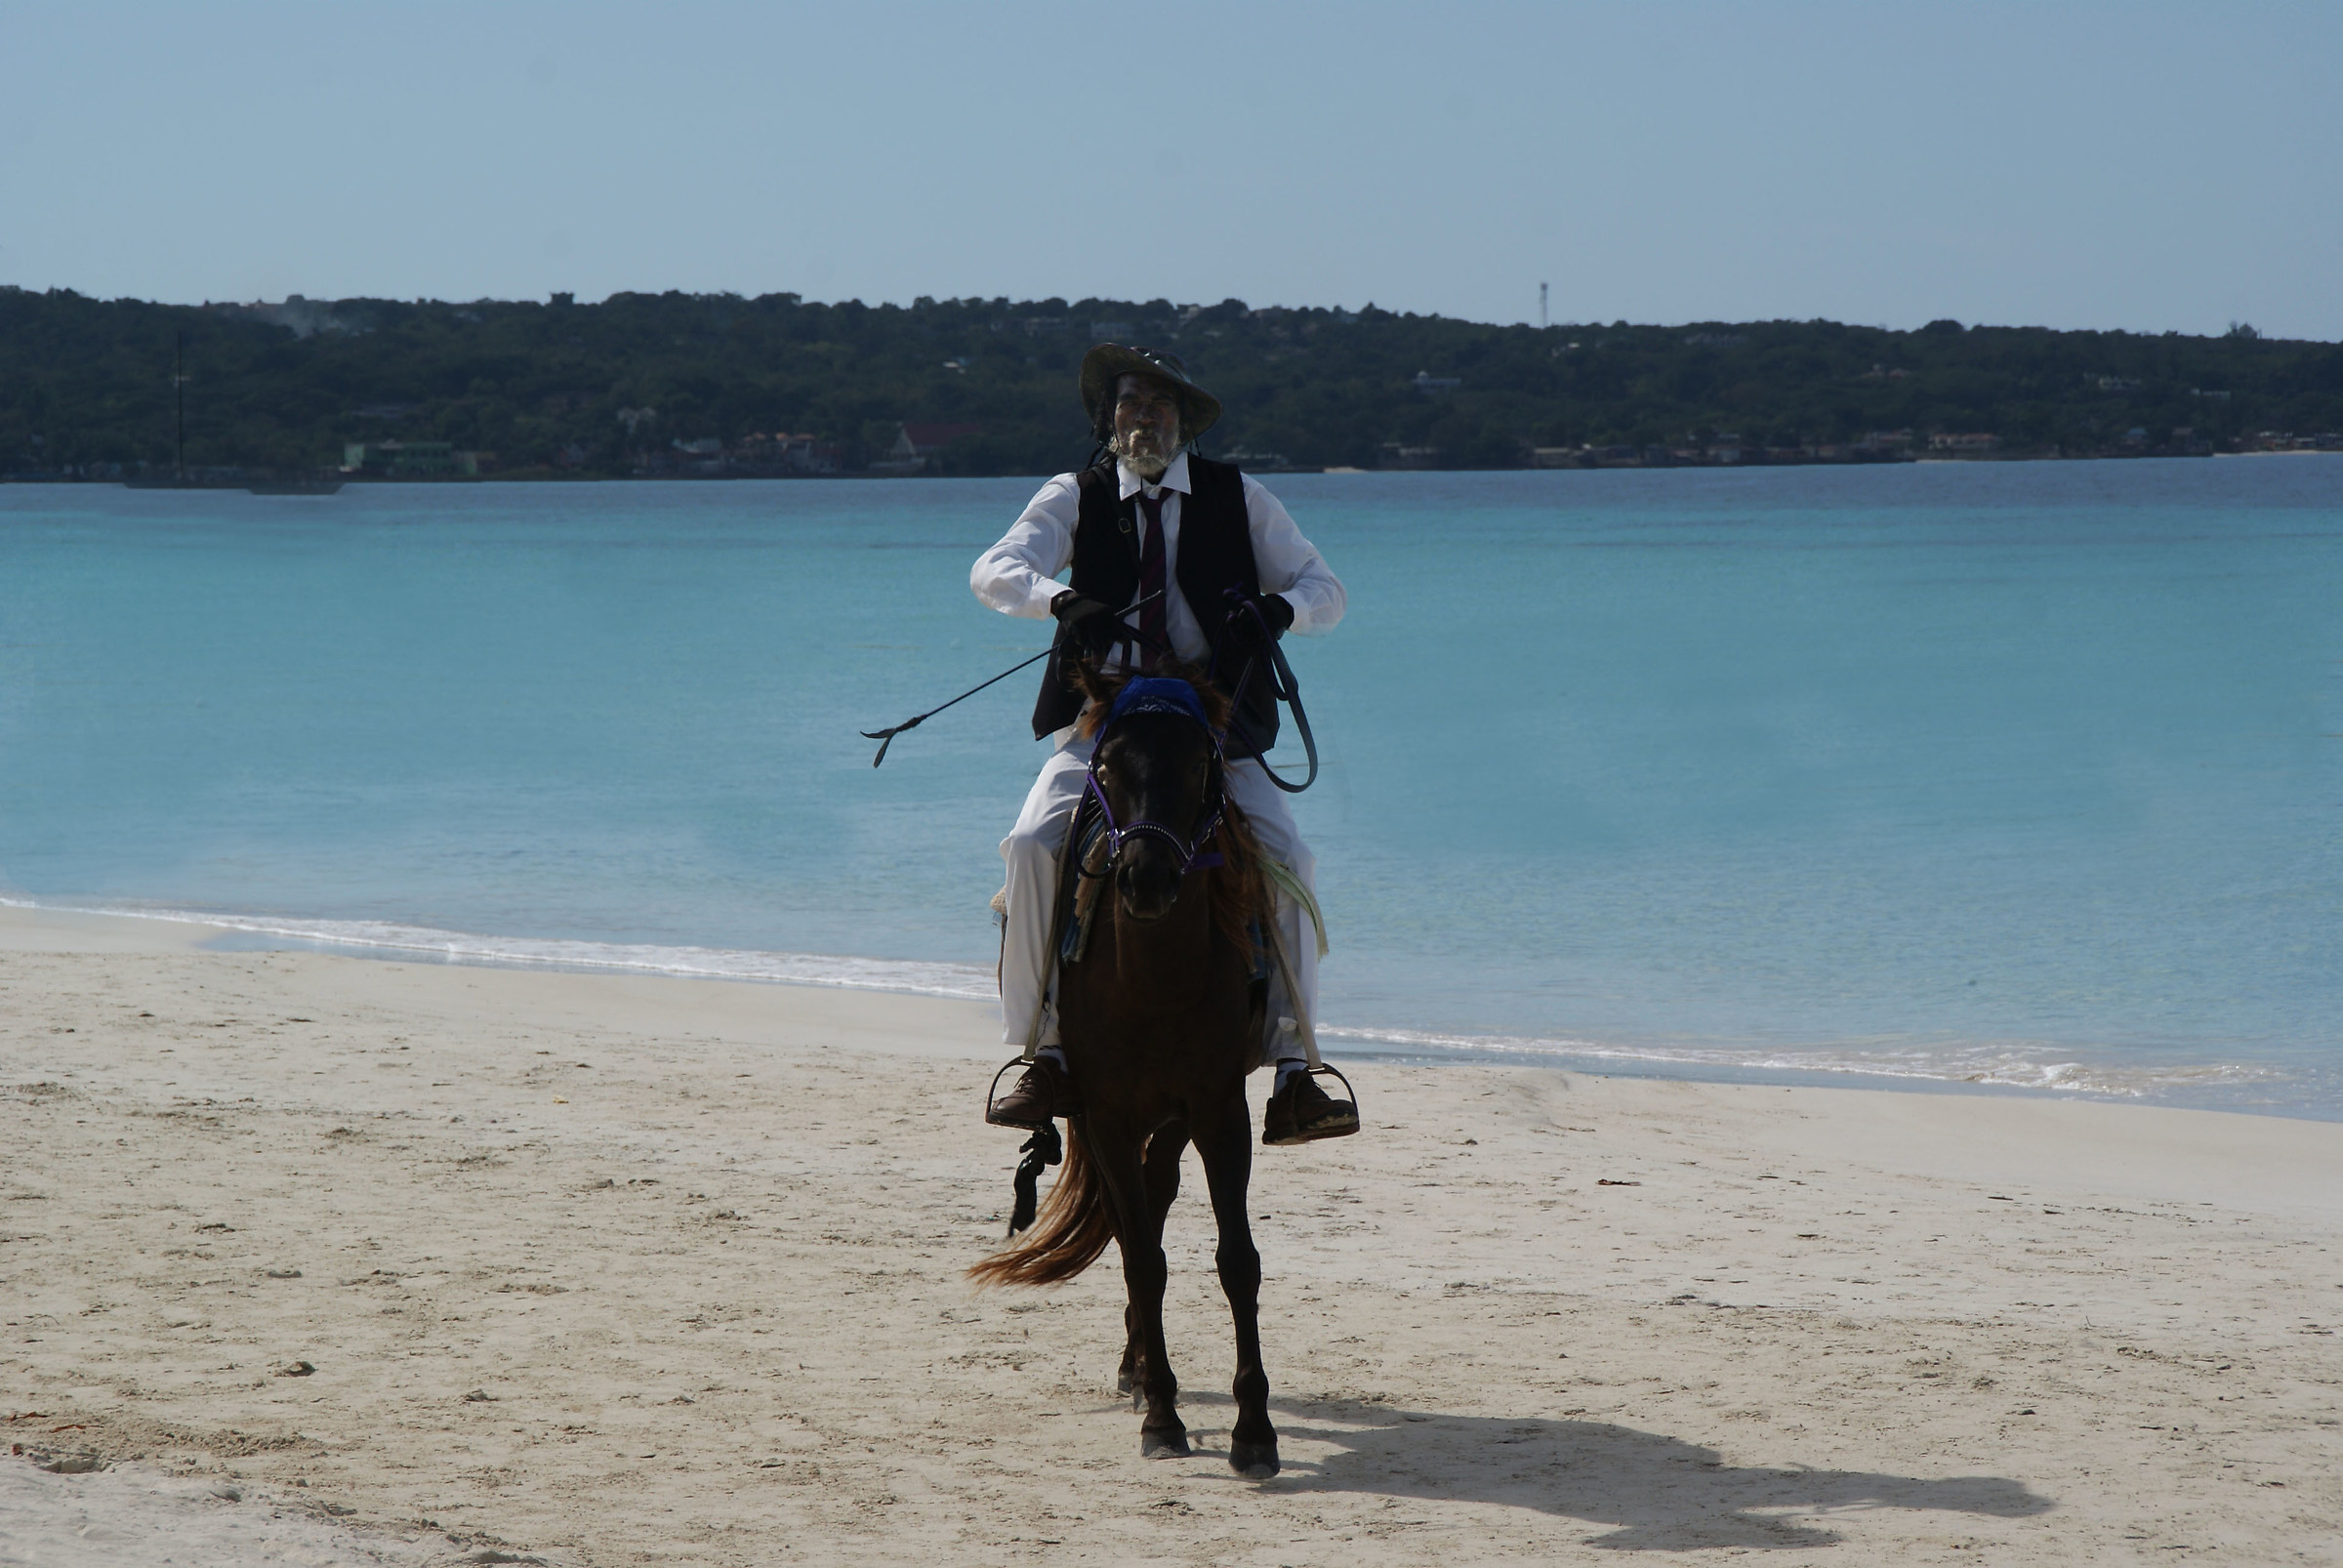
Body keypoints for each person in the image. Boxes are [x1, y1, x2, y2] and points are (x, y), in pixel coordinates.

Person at [971, 344, 1357, 1147]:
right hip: (1106, 724)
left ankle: (1295, 1070)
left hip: (1212, 726)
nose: (1144, 416)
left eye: (1160, 404)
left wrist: (1280, 614)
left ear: (1183, 422)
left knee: (1290, 859)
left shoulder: (1238, 495)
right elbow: (994, 570)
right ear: (1109, 419)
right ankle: (1042, 1052)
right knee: (1037, 843)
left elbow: (1327, 590)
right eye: (1130, 403)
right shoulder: (1072, 496)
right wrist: (1061, 599)